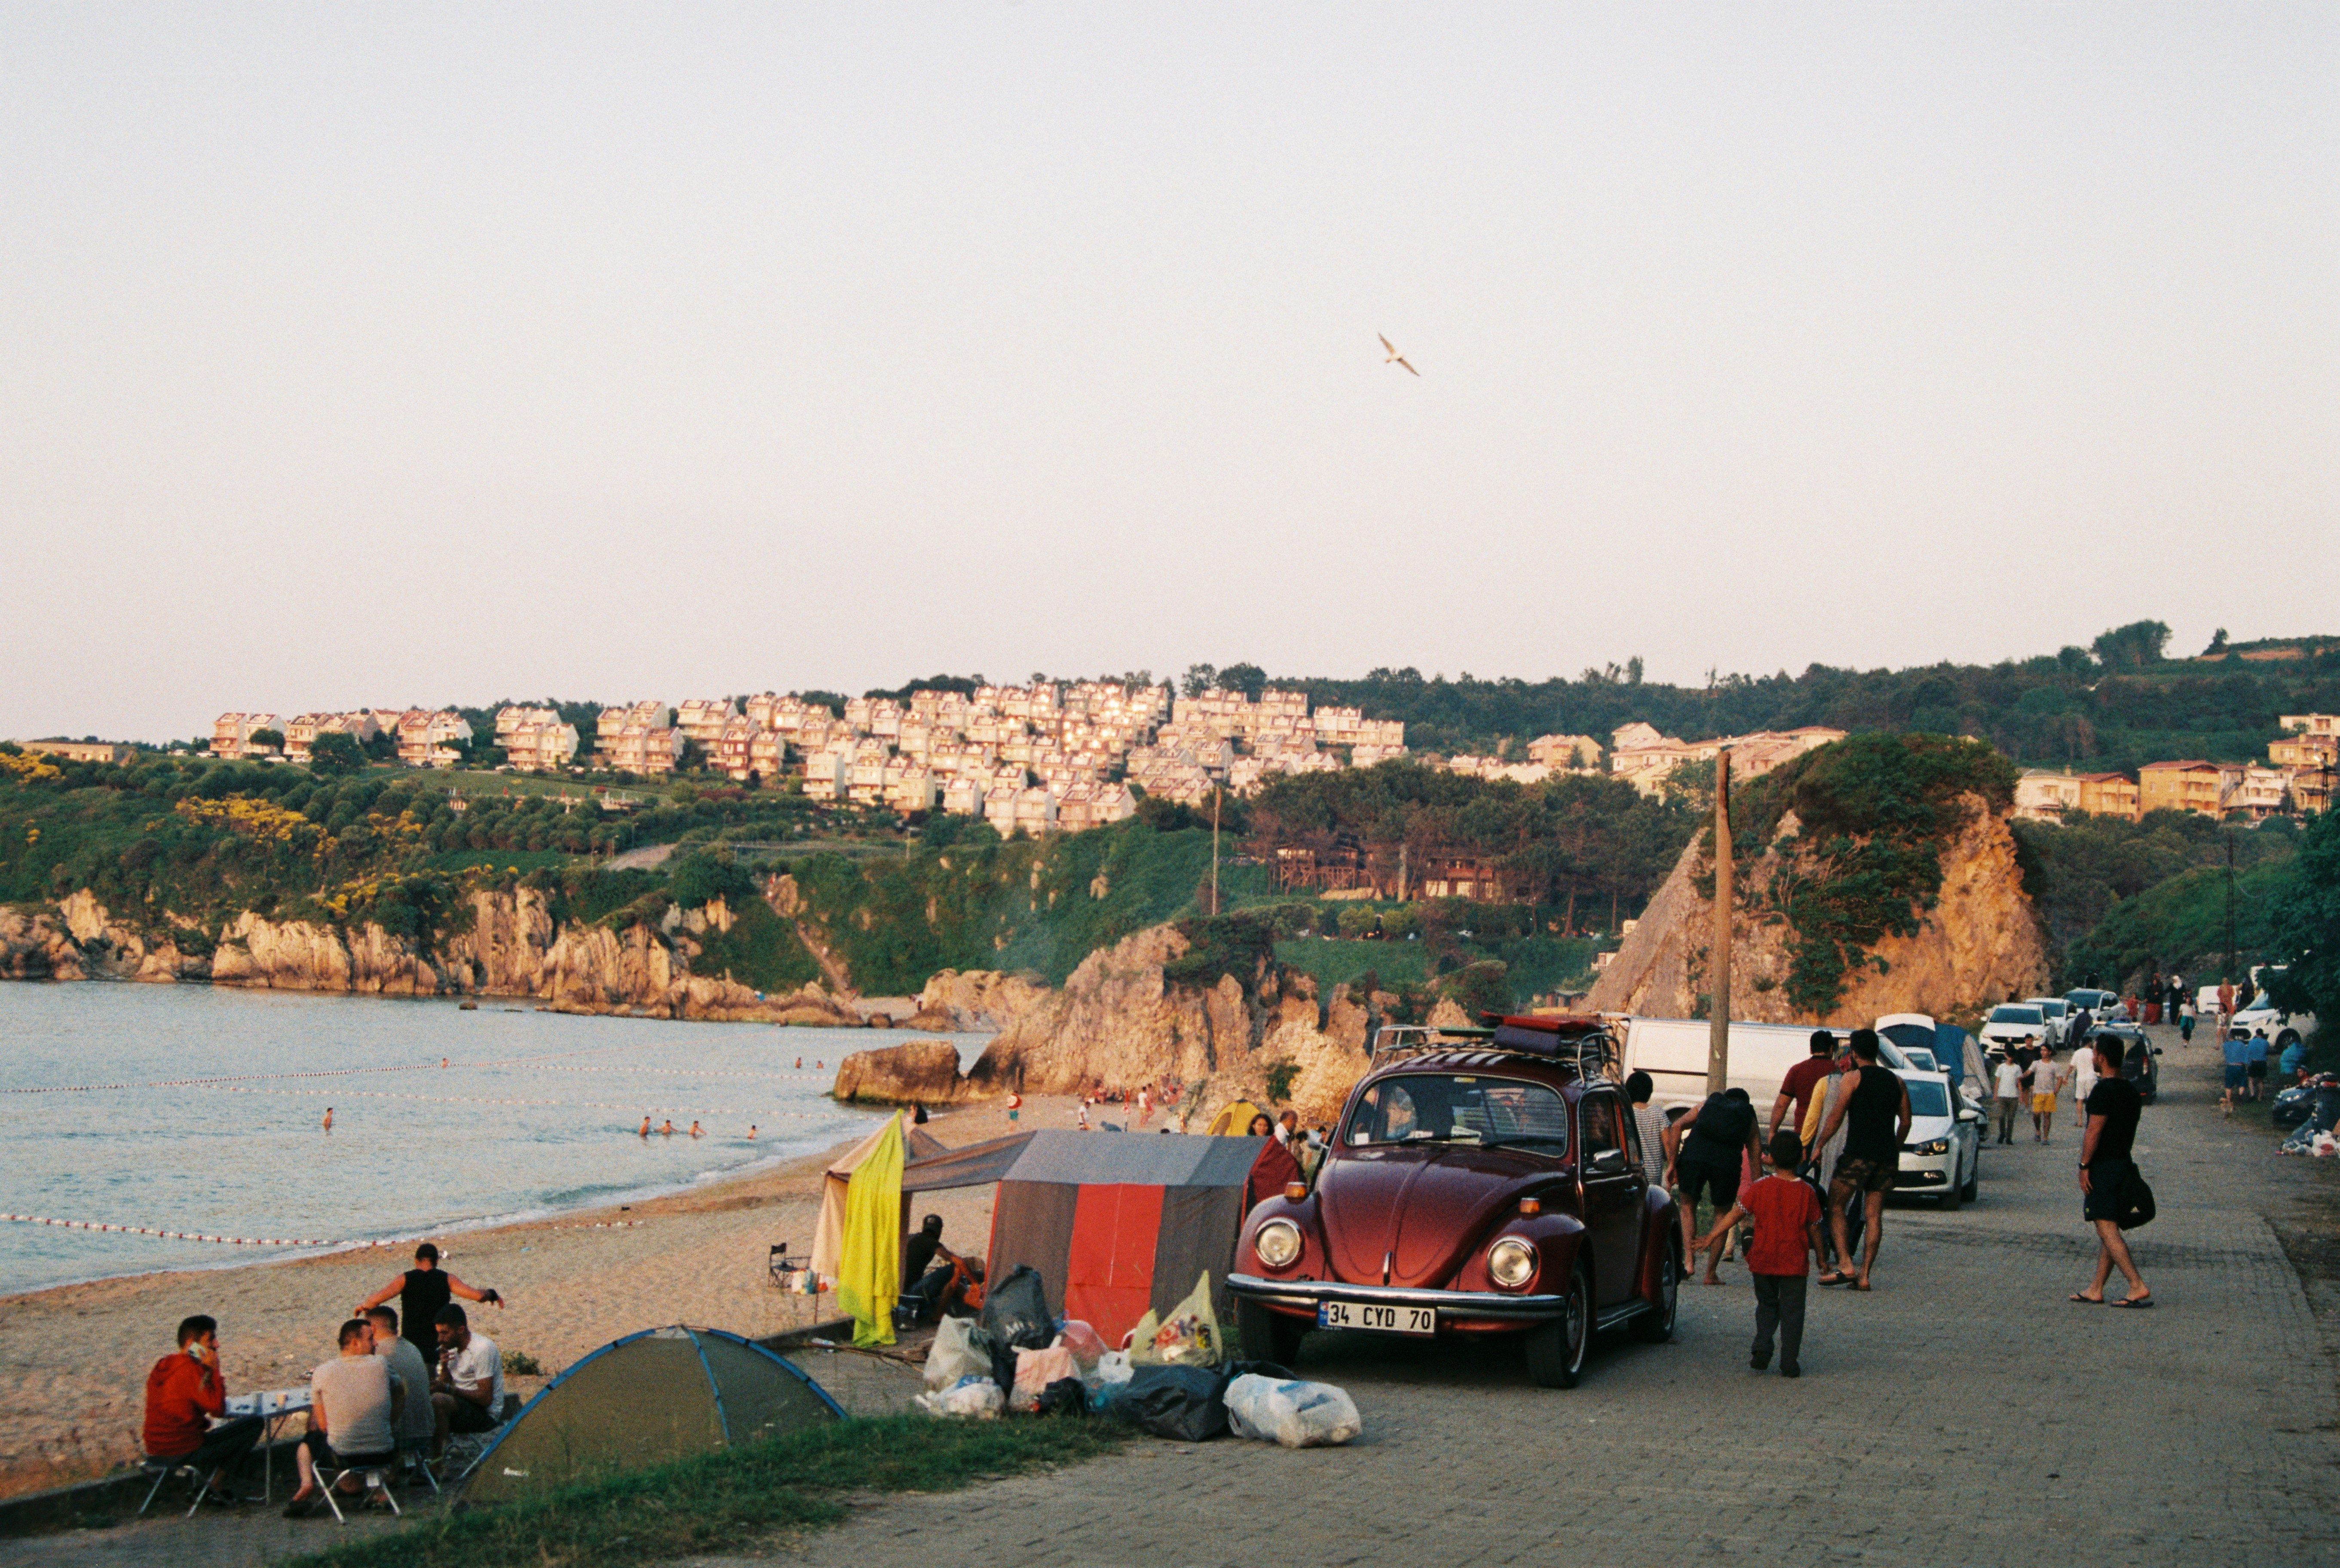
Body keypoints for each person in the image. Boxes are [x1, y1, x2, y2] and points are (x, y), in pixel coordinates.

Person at [1690, 1132, 1824, 1377]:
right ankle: (1789, 1362)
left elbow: (1735, 1214)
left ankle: (1762, 1345)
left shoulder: (1760, 1187)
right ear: (1802, 1157)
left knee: (1767, 1305)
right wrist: (1822, 1259)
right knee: (1793, 1312)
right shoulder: (1808, 1192)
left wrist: (1711, 1236)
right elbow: (1815, 1228)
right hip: (1794, 1263)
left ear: (1770, 1158)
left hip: (1762, 1259)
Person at [1813, 1029, 1911, 1292]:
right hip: (1885, 1157)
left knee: (1835, 1205)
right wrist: (1895, 1147)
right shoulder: (1897, 1081)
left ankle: (1846, 1264)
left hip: (1858, 1154)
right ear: (1877, 1052)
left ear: (1854, 1053)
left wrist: (1819, 1145)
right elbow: (1906, 1122)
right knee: (1874, 1215)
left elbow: (1835, 1117)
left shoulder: (1852, 1078)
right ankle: (1865, 1275)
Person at [282, 1319, 401, 1518]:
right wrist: (391, 1418)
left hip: (344, 1457)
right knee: (367, 1436)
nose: (376, 1344)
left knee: (308, 1443)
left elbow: (322, 1426)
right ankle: (377, 1492)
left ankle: (307, 1484)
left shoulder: (321, 1372)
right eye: (371, 1339)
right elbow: (400, 1391)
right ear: (356, 1343)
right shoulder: (381, 1364)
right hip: (385, 1454)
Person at [143, 1314, 262, 1504]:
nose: (217, 1345)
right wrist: (214, 1369)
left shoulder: (164, 1366)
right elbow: (218, 1409)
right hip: (181, 1449)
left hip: (155, 1449)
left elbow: (187, 1405)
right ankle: (215, 1486)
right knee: (254, 1423)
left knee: (213, 1431)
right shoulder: (190, 1370)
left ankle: (208, 1486)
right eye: (211, 1340)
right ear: (192, 1344)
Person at [2071, 1034, 2153, 1307]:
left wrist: (2084, 1166)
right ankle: (2096, 1288)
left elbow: (2093, 1131)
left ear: (2102, 1058)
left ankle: (2136, 1284)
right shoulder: (2131, 1091)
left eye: (2095, 1054)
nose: (2093, 1058)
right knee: (2111, 1225)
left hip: (2104, 1168)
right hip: (2124, 1164)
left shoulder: (2103, 1091)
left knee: (2105, 1227)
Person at [1662, 1085, 1761, 1285]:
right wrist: (1758, 1186)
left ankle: (1689, 1263)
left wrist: (1672, 1162)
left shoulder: (1707, 1104)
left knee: (1688, 1207)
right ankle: (1710, 1274)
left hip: (1694, 1156)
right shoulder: (1748, 1118)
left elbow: (1676, 1126)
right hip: (1727, 1164)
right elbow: (1755, 1155)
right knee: (1721, 1215)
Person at [355, 1243, 505, 1361]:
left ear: (416, 1260)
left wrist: (364, 1307)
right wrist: (492, 1294)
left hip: (412, 1343)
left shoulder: (405, 1279)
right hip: (439, 1342)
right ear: (437, 1261)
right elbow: (478, 1296)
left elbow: (374, 1300)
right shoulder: (447, 1279)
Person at [363, 1307, 436, 1476]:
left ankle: (355, 1484)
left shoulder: (378, 1354)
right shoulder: (412, 1348)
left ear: (372, 1329)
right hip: (424, 1435)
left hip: (400, 1437)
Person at [430, 1304, 504, 1455]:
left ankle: (438, 1463)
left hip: (484, 1413)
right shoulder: (450, 1348)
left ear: (461, 1330)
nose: (440, 1339)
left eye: (444, 1333)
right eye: (438, 1333)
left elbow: (485, 1398)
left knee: (437, 1400)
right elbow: (446, 1384)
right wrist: (444, 1367)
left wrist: (449, 1390)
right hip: (460, 1405)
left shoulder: (482, 1348)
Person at [1768, 1030, 1838, 1155]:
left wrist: (1773, 1131)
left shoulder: (1797, 1070)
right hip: (1831, 1134)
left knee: (1802, 1173)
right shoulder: (1838, 1072)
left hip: (1803, 1132)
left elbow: (1782, 1105)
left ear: (1811, 1049)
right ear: (1831, 1049)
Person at [1244, 1117, 1303, 1210]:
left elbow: (1282, 1158)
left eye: (1265, 1126)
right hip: (1251, 1182)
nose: (1262, 1128)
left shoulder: (1273, 1143)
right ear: (1253, 1126)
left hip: (1267, 1181)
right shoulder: (1247, 1143)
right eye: (1260, 1125)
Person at [1626, 1072, 1670, 1188]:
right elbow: (1668, 1143)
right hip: (1654, 1175)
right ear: (1650, 1092)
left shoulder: (1627, 1114)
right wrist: (1672, 1165)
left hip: (1633, 1173)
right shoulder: (1659, 1113)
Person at [2028, 1048, 2064, 1144]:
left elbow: (2060, 1078)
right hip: (2038, 1093)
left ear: (2050, 1052)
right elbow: (2028, 1072)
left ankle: (2045, 1137)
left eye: (2045, 1050)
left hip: (2049, 1093)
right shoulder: (2036, 1063)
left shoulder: (2054, 1066)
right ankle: (2038, 1130)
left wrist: (2056, 1090)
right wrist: (2019, 1078)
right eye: (2041, 1050)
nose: (2042, 1052)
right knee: (2036, 1114)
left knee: (2047, 1115)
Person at [1991, 1052, 2024, 1146]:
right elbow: (1997, 1081)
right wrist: (1995, 1094)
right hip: (2002, 1095)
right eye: (2009, 1056)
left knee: (2011, 1118)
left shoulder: (2017, 1068)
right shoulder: (2001, 1067)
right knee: (2002, 1116)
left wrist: (2021, 1096)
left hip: (2013, 1096)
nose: (2010, 1058)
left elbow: (2019, 1083)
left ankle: (2009, 1137)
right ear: (2006, 1056)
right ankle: (2002, 1133)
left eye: (2012, 1056)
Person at [2071, 1040, 2100, 1137]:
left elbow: (2071, 1066)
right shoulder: (2093, 1052)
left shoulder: (2077, 1053)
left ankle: (2080, 1121)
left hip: (2081, 1078)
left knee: (2080, 1099)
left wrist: (2066, 1077)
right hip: (2091, 1078)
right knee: (2092, 1100)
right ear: (2090, 1043)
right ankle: (2091, 1120)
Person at [2221, 1027, 2251, 1116]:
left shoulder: (2226, 1045)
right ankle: (2241, 1095)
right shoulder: (2241, 1044)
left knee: (2229, 1085)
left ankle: (2229, 1100)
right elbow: (2246, 1055)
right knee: (2242, 1083)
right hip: (2240, 1066)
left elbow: (2225, 1053)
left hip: (2230, 1066)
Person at [2247, 1030, 2271, 1102]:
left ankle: (2252, 1094)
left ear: (2256, 1034)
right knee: (2261, 1080)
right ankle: (2260, 1097)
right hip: (2262, 1063)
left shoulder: (2251, 1042)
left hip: (2254, 1062)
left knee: (2251, 1080)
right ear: (2263, 1034)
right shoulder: (2266, 1043)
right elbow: (2267, 1052)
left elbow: (2249, 1052)